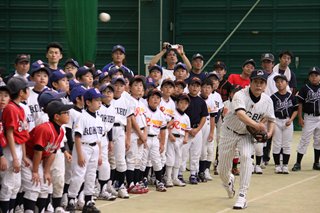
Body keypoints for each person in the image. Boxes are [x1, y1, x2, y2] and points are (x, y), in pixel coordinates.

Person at [218, 70, 275, 209]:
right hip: (229, 132)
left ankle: (242, 196)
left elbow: (271, 120)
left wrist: (268, 133)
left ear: (265, 85)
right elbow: (240, 114)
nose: (258, 85)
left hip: (247, 135)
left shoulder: (267, 100)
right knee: (222, 170)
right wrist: (258, 125)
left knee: (246, 157)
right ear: (251, 82)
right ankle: (228, 181)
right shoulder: (240, 95)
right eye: (256, 81)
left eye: (261, 82)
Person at [22, 100, 73, 212]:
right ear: (56, 116)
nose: (68, 115)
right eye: (66, 112)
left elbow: (52, 152)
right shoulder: (45, 128)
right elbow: (37, 151)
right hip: (26, 156)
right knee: (34, 185)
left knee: (46, 185)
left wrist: (46, 171)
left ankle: (41, 210)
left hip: (37, 159)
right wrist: (35, 171)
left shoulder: (60, 131)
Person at [66, 88, 104, 213]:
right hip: (83, 147)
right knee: (79, 174)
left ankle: (88, 201)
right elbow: (77, 136)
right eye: (96, 100)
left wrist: (99, 154)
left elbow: (98, 138)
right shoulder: (82, 117)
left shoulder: (98, 118)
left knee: (91, 175)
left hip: (94, 148)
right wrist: (80, 154)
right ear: (87, 102)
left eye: (100, 100)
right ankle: (71, 200)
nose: (100, 102)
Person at [0, 77, 34, 213]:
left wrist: (24, 156)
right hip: (10, 149)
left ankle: (11, 210)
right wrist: (14, 158)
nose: (29, 91)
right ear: (21, 92)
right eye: (27, 89)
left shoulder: (19, 108)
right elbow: (9, 133)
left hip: (18, 148)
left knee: (16, 184)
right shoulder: (11, 108)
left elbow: (22, 135)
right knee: (8, 184)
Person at [179, 77, 208, 184]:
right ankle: (180, 173)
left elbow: (204, 116)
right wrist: (189, 129)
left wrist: (197, 129)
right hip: (185, 130)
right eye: (193, 85)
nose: (195, 88)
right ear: (188, 86)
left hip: (197, 130)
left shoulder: (201, 101)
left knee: (196, 153)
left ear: (200, 88)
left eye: (197, 86)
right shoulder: (185, 100)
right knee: (183, 153)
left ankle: (193, 174)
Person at [292, 66, 320, 171]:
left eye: (316, 75)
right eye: (312, 75)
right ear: (309, 77)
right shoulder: (305, 88)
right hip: (309, 118)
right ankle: (298, 163)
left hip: (319, 117)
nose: (314, 77)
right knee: (304, 140)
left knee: (319, 140)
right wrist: (300, 117)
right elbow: (300, 104)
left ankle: (316, 163)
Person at [140, 89, 167, 192]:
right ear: (148, 99)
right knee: (143, 160)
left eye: (158, 98)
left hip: (155, 138)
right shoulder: (144, 110)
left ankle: (159, 181)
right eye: (153, 97)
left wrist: (162, 143)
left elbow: (163, 130)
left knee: (156, 160)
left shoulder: (161, 114)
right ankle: (143, 180)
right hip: (145, 138)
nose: (155, 100)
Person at [270, 75, 298, 174]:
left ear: (286, 83)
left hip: (287, 121)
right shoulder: (273, 97)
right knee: (277, 144)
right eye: (277, 82)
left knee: (287, 144)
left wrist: (291, 119)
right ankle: (277, 165)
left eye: (282, 81)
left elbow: (295, 110)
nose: (280, 83)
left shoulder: (291, 96)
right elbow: (270, 111)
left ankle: (285, 165)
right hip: (277, 121)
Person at [166, 94, 191, 187]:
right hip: (172, 138)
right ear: (177, 103)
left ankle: (175, 178)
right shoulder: (173, 114)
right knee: (170, 158)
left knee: (178, 159)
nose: (183, 105)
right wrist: (170, 134)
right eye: (181, 102)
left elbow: (187, 130)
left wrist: (185, 138)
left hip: (181, 139)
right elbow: (166, 126)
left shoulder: (187, 117)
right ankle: (168, 178)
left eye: (185, 103)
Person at [260, 53, 275, 167]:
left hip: (272, 108)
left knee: (269, 133)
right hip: (259, 107)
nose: (266, 64)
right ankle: (257, 157)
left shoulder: (277, 77)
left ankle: (265, 157)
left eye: (269, 62)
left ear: (273, 64)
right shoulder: (258, 76)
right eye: (265, 62)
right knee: (258, 132)